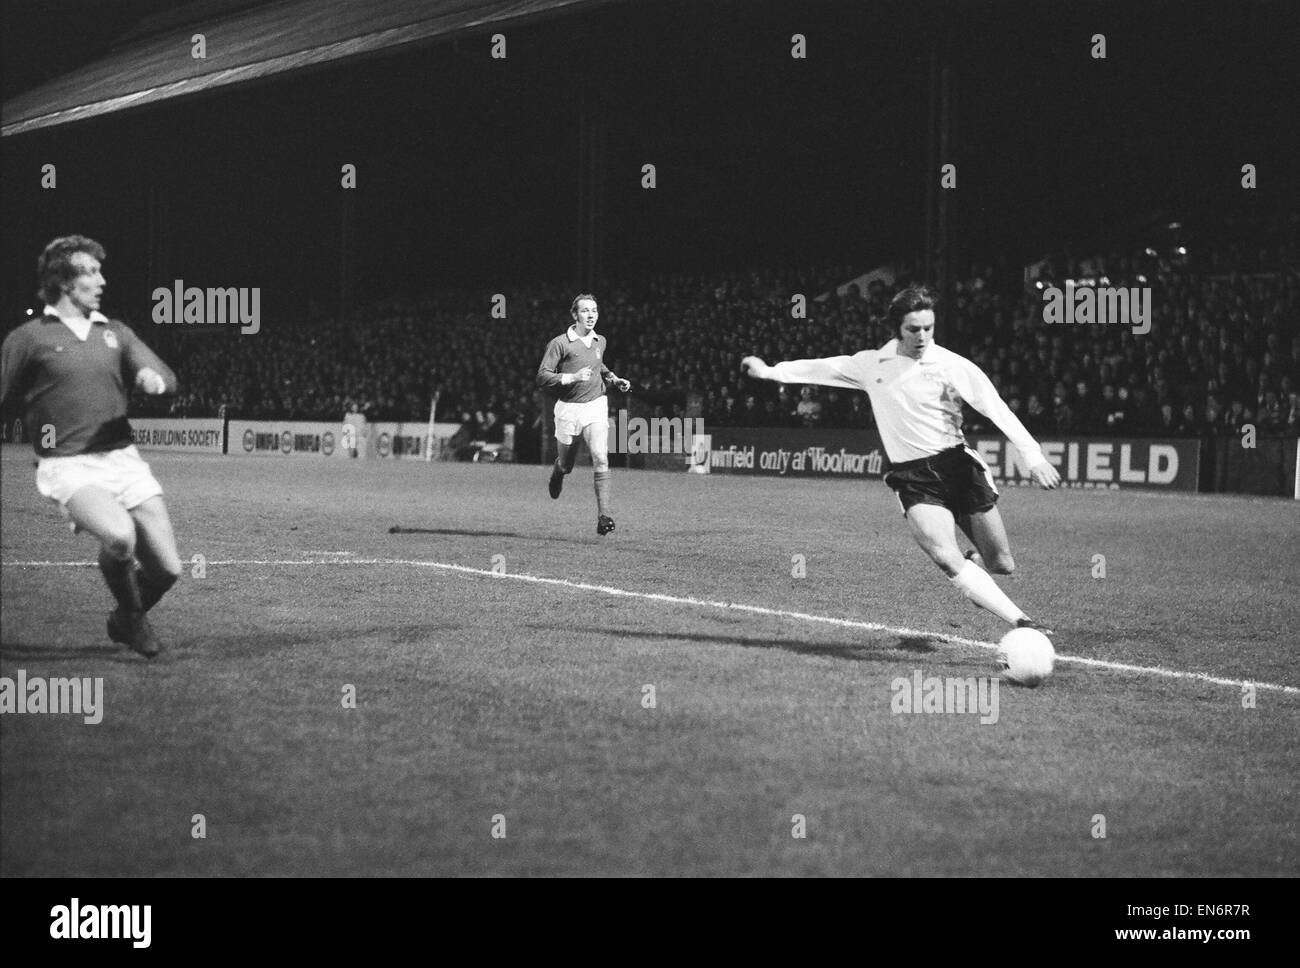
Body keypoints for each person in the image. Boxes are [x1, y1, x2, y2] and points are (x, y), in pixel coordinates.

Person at [742, 285, 1061, 634]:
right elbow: (823, 369)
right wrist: (770, 371)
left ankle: (974, 565)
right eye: (914, 329)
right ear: (897, 328)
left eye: (929, 328)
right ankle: (1023, 623)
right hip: (912, 478)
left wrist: (1033, 457)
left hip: (958, 468)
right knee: (943, 555)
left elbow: (995, 408)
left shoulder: (953, 365)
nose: (923, 336)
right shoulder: (872, 364)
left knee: (1002, 564)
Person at [0, 236, 183, 657]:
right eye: (91, 272)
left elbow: (168, 377)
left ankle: (123, 619)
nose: (102, 280)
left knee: (169, 570)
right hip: (69, 465)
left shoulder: (114, 331)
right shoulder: (29, 338)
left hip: (123, 459)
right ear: (64, 282)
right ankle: (136, 620)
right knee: (120, 538)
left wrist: (156, 381)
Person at [536, 294, 630, 535]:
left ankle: (604, 516)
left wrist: (614, 379)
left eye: (594, 310)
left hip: (596, 404)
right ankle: (558, 473)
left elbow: (600, 367)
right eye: (585, 311)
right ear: (574, 315)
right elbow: (542, 376)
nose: (591, 315)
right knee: (567, 464)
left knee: (600, 456)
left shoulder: (601, 341)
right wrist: (572, 377)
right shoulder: (560, 343)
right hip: (568, 409)